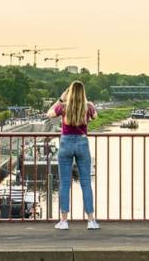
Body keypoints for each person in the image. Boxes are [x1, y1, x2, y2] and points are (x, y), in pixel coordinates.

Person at [46, 80, 99, 230]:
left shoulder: (63, 107)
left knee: (64, 183)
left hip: (66, 144)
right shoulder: (88, 106)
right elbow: (95, 116)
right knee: (86, 183)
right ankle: (91, 220)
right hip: (82, 144)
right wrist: (87, 102)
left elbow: (49, 114)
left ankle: (64, 221)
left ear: (69, 92)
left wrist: (60, 99)